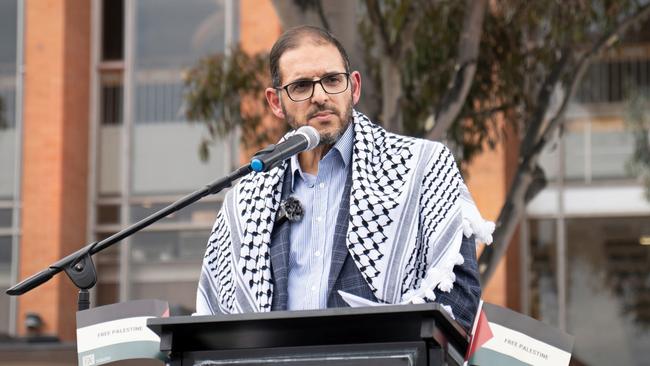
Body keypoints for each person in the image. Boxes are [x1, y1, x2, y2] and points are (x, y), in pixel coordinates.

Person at [195, 25, 494, 331]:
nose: (320, 96)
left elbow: (459, 300)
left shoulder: (423, 167)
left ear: (354, 87)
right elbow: (212, 327)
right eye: (301, 86)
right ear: (275, 102)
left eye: (332, 80)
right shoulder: (246, 200)